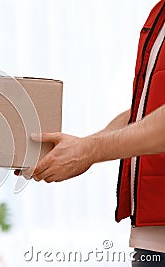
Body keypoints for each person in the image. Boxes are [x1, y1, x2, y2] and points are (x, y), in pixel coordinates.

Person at [17, 1, 165, 266]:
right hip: (151, 236)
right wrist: (79, 147)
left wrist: (87, 151)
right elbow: (146, 109)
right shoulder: (160, 13)